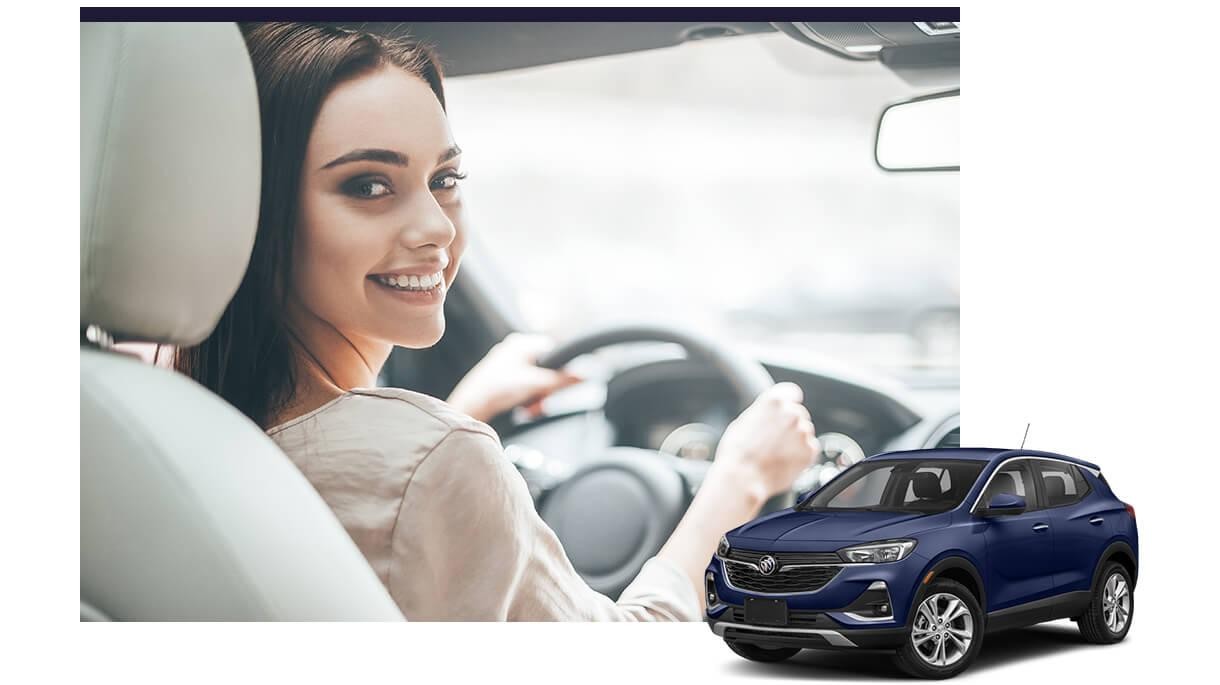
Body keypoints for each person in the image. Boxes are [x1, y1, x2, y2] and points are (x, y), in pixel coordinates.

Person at [175, 22, 819, 621]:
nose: (436, 226)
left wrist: (463, 412)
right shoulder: (440, 460)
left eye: (445, 177)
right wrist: (741, 481)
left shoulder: (177, 421)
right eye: (368, 185)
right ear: (253, 211)